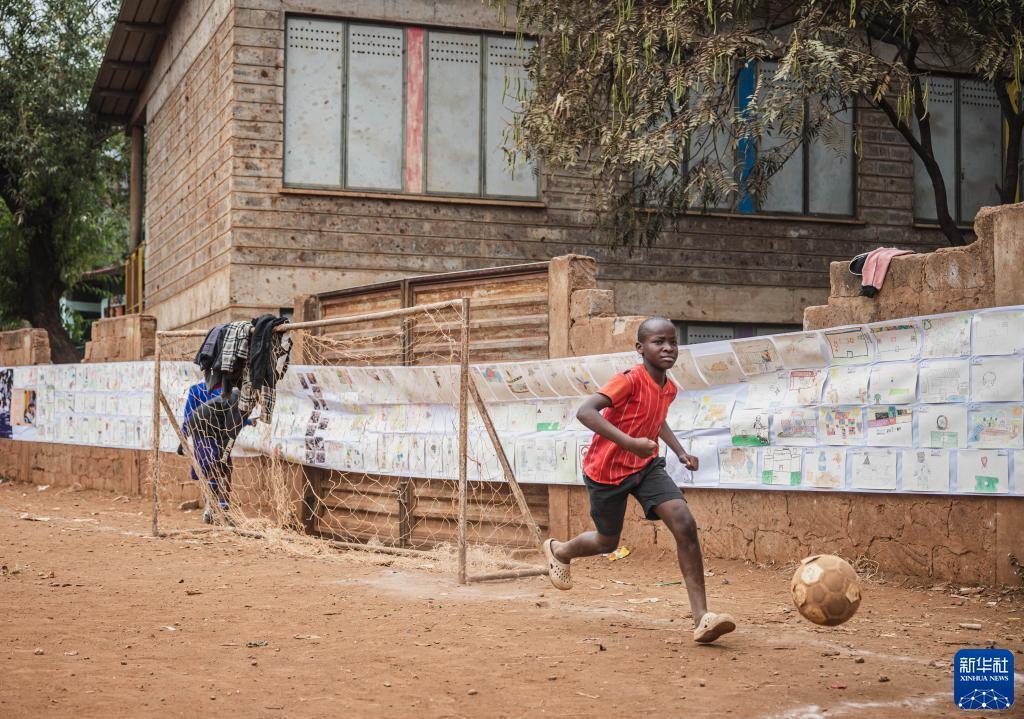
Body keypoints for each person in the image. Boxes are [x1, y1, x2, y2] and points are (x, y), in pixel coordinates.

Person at [542, 317, 737, 644]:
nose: (668, 348)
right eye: (658, 342)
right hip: (606, 471)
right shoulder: (629, 380)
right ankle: (560, 551)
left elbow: (656, 420)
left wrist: (680, 452)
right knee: (607, 542)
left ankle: (702, 617)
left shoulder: (668, 388)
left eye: (673, 342)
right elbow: (586, 411)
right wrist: (629, 442)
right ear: (640, 348)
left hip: (646, 467)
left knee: (684, 523)